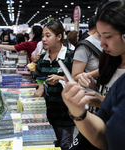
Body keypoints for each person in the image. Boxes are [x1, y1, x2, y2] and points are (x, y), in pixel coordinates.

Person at [62, 1, 125, 149]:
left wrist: (103, 103)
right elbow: (103, 136)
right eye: (100, 35)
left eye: (107, 36)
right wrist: (79, 111)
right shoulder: (109, 61)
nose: (102, 43)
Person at [34, 20, 75, 150]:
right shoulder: (42, 58)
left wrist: (61, 79)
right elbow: (38, 77)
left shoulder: (70, 56)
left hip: (65, 115)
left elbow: (77, 81)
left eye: (48, 35)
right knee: (48, 146)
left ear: (59, 37)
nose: (44, 39)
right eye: (42, 36)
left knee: (64, 146)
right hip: (47, 114)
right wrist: (41, 86)